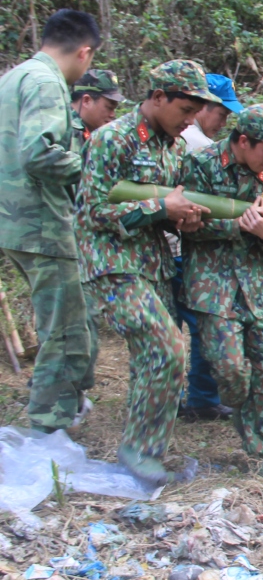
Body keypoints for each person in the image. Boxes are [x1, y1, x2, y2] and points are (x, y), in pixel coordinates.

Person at [76, 59, 217, 486]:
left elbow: (168, 211)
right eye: (185, 111)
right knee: (167, 348)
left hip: (150, 262)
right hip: (112, 265)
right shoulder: (112, 139)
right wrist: (160, 207)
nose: (191, 121)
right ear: (157, 98)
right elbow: (93, 210)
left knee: (148, 360)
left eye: (196, 113)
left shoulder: (173, 149)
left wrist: (183, 219)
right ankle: (141, 452)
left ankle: (143, 447)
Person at [181, 104, 263, 479]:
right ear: (243, 141)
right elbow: (182, 225)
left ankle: (261, 452)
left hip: (262, 286)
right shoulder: (200, 165)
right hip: (214, 285)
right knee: (231, 371)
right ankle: (238, 408)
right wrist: (236, 226)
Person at [0, 9, 101, 435]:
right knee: (64, 332)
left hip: (15, 222)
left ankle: (61, 407)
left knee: (57, 323)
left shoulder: (14, 77)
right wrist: (87, 168)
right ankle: (48, 426)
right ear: (84, 52)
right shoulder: (45, 83)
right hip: (40, 223)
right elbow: (38, 153)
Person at [175, 72, 243, 421]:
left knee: (195, 329)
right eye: (222, 113)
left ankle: (195, 399)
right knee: (191, 328)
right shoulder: (195, 146)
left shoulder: (194, 141)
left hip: (182, 249)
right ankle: (192, 398)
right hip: (179, 249)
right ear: (204, 107)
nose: (224, 122)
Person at [70, 69, 125, 155]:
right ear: (86, 101)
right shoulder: (63, 130)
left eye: (114, 109)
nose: (112, 115)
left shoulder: (100, 131)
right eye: (109, 108)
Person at [181, 73, 242, 151]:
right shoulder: (204, 147)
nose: (223, 123)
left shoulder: (176, 128)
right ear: (202, 105)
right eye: (222, 114)